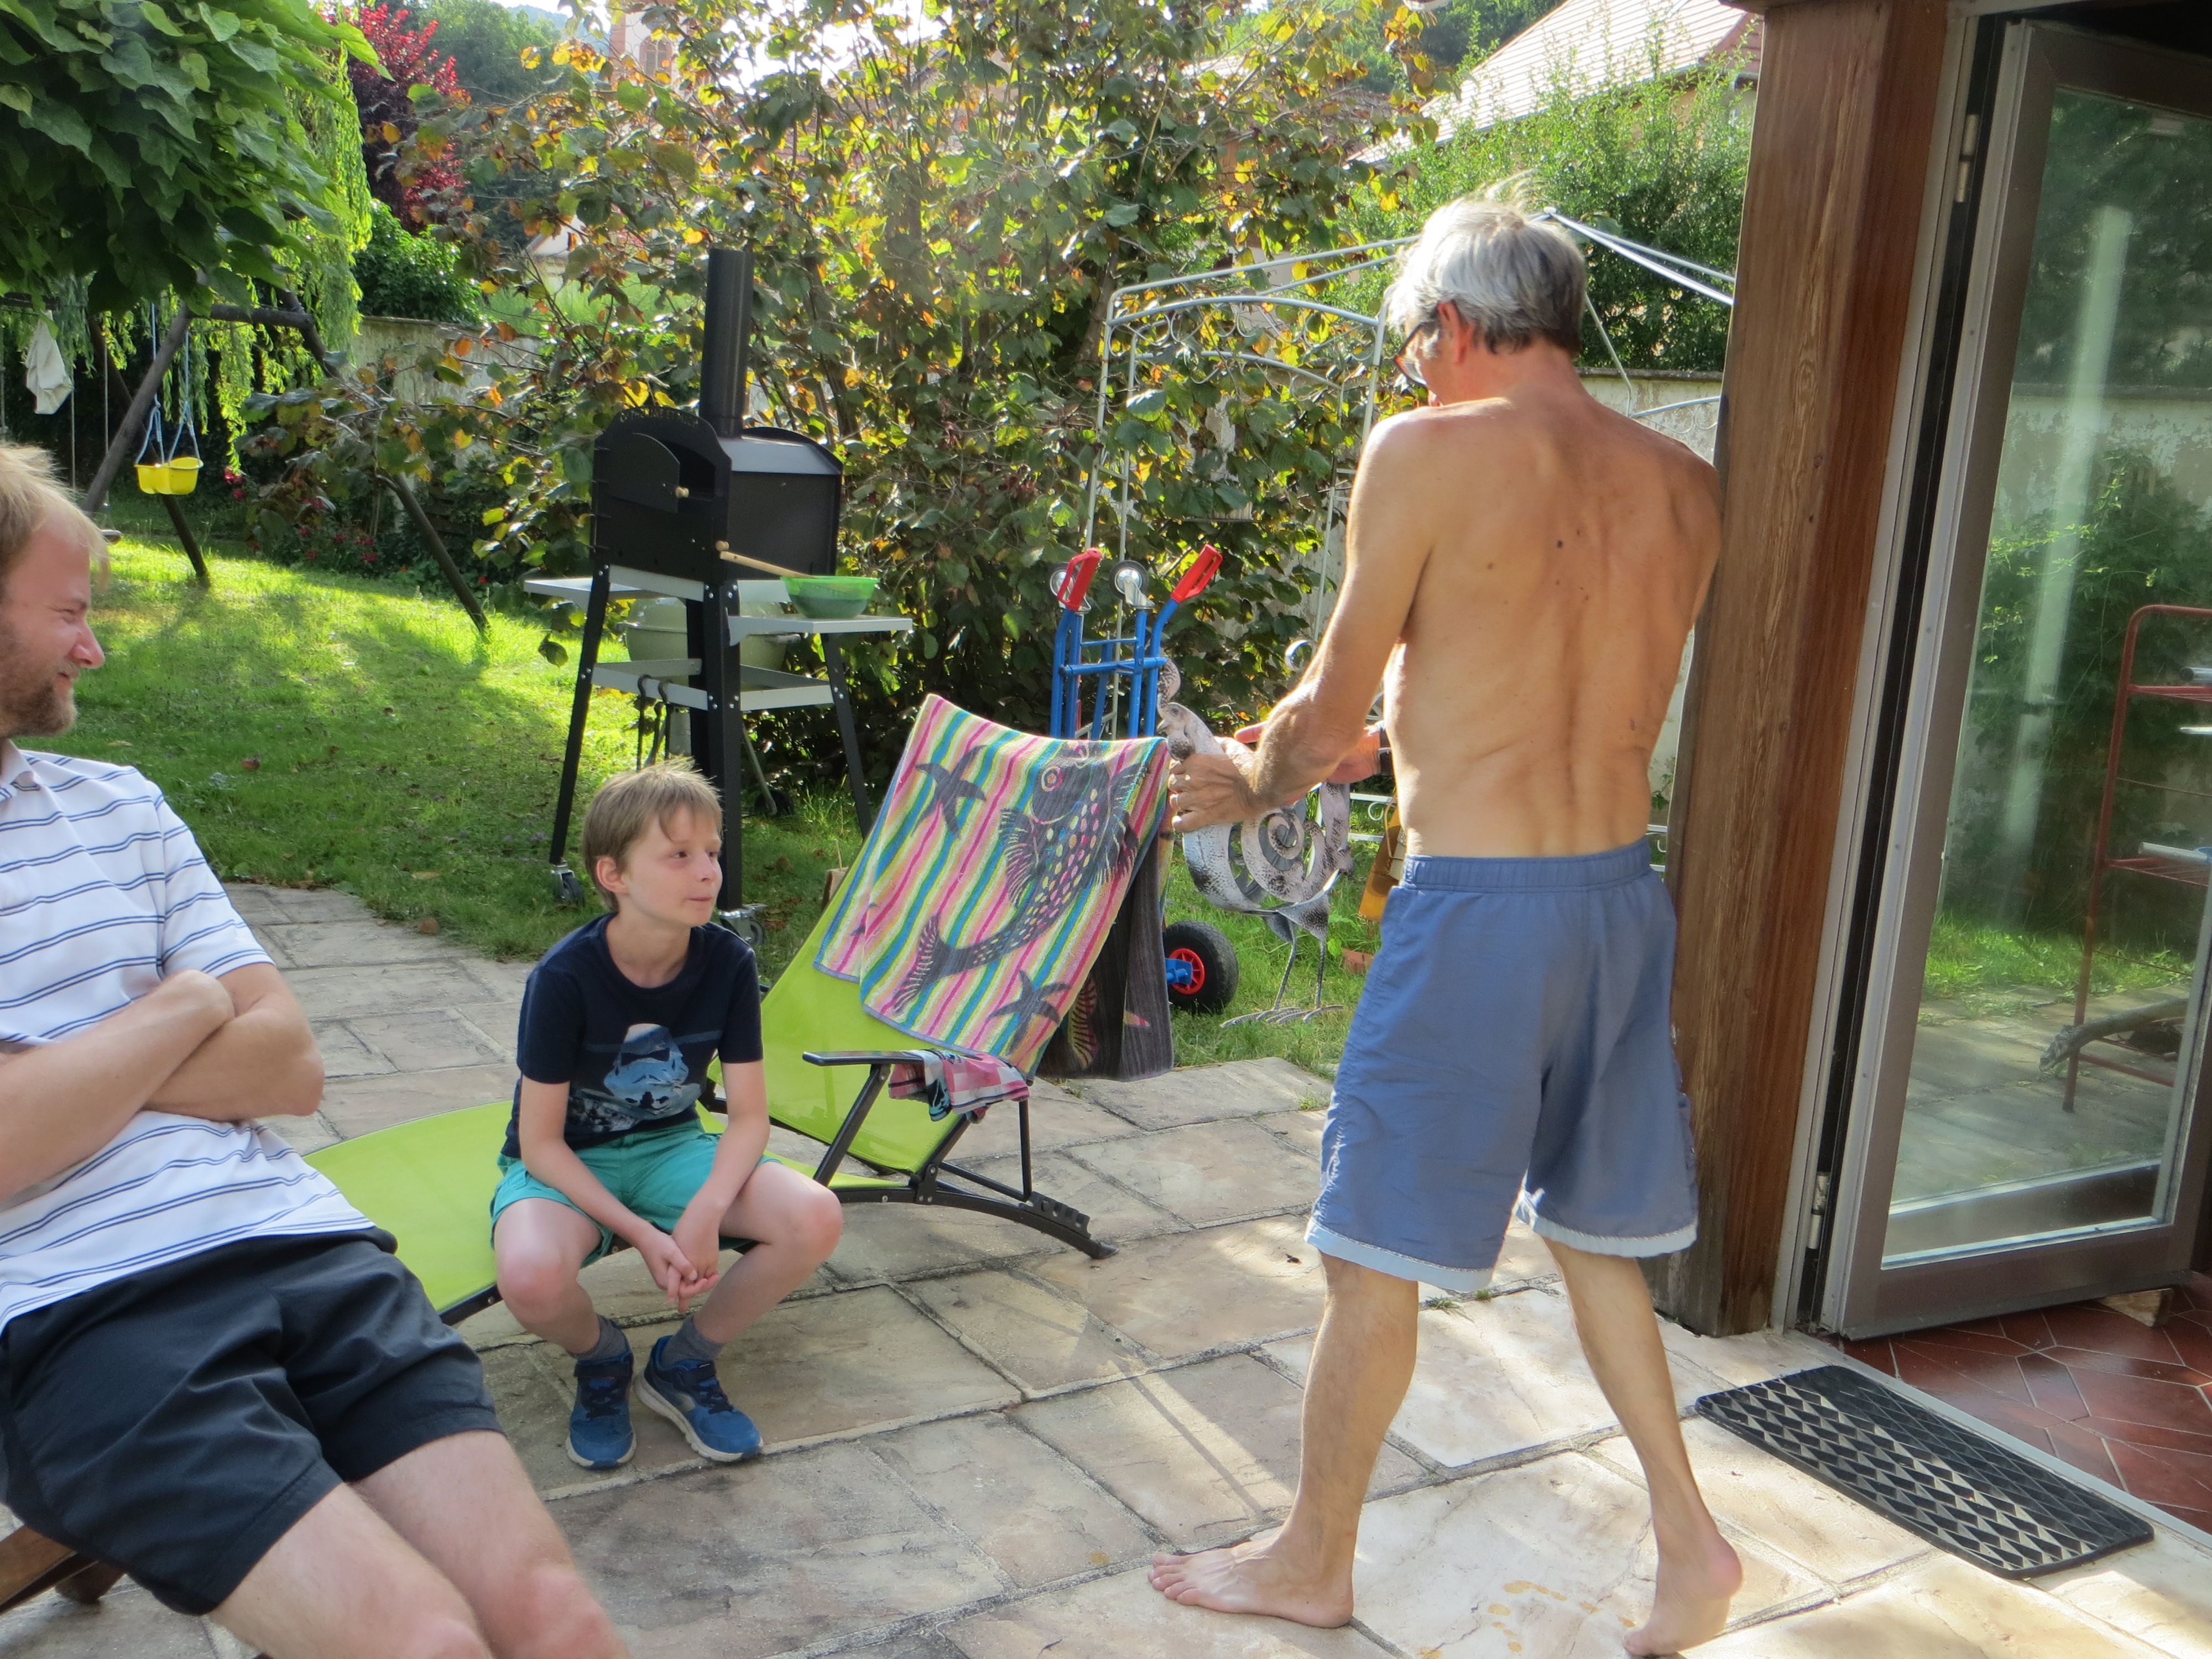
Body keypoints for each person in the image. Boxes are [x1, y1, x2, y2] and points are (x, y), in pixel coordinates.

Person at [1152, 188, 1740, 1654]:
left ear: (1461, 324)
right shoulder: (1683, 484)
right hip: (1617, 901)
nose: (1415, 369)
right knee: (1595, 1241)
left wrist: (1251, 780)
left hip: (1478, 913)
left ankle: (1311, 1561)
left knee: (1367, 1248)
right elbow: (1541, 662)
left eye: (1419, 341)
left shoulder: (1420, 451)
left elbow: (1332, 697)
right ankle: (1691, 1544)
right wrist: (1391, 740)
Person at [0, 442, 627, 1659]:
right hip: (76, 1316)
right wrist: (186, 1004)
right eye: (69, 613)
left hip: (300, 1247)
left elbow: (286, 1068)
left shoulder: (121, 806)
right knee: (425, 1643)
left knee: (554, 1621)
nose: (95, 648)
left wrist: (62, 1079)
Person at [491, 761, 844, 1470]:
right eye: (678, 855)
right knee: (529, 1277)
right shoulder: (564, 978)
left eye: (711, 852)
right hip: (571, 1163)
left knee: (815, 1215)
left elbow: (748, 1117)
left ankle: (683, 1362)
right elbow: (540, 1143)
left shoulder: (727, 962)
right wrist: (643, 1235)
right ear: (613, 875)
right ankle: (602, 1357)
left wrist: (706, 1211)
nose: (707, 872)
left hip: (671, 1148)